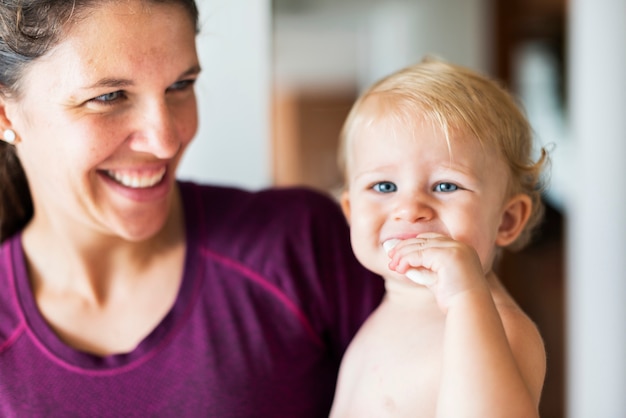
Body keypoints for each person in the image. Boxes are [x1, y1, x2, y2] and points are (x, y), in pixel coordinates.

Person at [0, 1, 384, 416]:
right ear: (5, 113)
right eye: (109, 96)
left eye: (180, 86)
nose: (166, 141)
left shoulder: (299, 246)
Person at [329, 58, 548, 417]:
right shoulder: (388, 311)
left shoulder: (501, 328)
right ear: (352, 212)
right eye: (384, 186)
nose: (409, 209)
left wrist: (464, 296)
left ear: (507, 220)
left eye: (446, 185)